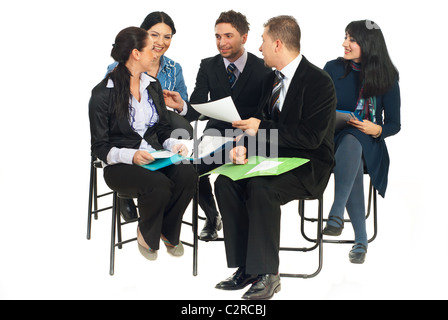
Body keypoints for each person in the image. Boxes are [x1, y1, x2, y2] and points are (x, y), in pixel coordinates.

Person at [214, 16, 336, 300]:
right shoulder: (271, 79)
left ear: (278, 44)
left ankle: (269, 274)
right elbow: (258, 124)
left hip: (308, 165)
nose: (260, 48)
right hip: (271, 159)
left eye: (264, 41)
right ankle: (246, 268)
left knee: (261, 187)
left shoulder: (319, 82)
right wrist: (244, 146)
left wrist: (261, 129)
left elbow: (310, 138)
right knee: (225, 181)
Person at [89, 27, 197, 261]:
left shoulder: (152, 85)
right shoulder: (101, 94)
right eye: (151, 49)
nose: (156, 54)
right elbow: (100, 147)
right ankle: (146, 232)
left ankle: (168, 230)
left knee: (188, 173)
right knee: (158, 184)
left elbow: (161, 128)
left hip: (154, 156)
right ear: (136, 54)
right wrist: (132, 156)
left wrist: (172, 145)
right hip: (120, 166)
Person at [167, 10, 271, 241]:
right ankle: (212, 217)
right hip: (216, 132)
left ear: (244, 38)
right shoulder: (208, 66)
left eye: (228, 36)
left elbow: (264, 111)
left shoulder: (264, 68)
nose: (221, 42)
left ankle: (244, 224)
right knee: (190, 170)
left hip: (250, 136)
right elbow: (198, 105)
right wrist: (182, 106)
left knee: (239, 178)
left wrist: (248, 135)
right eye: (217, 36)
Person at [322, 20, 401, 264]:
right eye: (346, 37)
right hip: (333, 139)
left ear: (368, 44)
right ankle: (360, 239)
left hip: (369, 145)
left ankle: (337, 215)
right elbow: (318, 107)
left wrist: (376, 128)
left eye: (352, 39)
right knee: (349, 139)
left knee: (355, 138)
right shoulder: (332, 68)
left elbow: (394, 124)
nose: (345, 43)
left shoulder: (387, 78)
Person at [106, 12, 193, 221]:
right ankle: (126, 192)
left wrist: (179, 105)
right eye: (154, 35)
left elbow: (186, 109)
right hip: (127, 136)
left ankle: (200, 208)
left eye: (167, 37)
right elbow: (108, 114)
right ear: (142, 35)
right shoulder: (116, 69)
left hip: (161, 132)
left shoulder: (173, 69)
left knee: (186, 139)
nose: (160, 42)